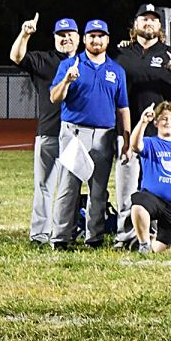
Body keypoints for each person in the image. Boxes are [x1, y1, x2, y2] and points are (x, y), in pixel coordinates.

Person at [111, 3, 171, 248]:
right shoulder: (121, 53)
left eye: (153, 19)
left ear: (160, 26)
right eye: (144, 19)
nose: (148, 23)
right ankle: (126, 236)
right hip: (129, 131)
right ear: (135, 24)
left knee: (159, 186)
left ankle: (155, 235)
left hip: (161, 136)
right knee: (127, 186)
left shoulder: (170, 53)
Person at [49, 19, 130, 249]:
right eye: (92, 36)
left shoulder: (116, 70)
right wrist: (67, 80)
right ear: (84, 39)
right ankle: (61, 237)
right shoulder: (70, 64)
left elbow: (123, 107)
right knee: (69, 186)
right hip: (74, 132)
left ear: (107, 40)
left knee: (99, 189)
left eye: (100, 36)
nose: (96, 40)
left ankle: (94, 237)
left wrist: (125, 137)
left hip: (105, 134)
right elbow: (54, 97)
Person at [9, 13, 79, 246]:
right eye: (61, 35)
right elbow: (17, 57)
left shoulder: (87, 61)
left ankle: (68, 231)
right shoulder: (45, 60)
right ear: (54, 38)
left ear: (78, 37)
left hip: (77, 134)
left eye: (70, 34)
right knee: (44, 186)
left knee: (71, 187)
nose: (65, 38)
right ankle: (40, 234)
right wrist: (25, 34)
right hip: (49, 131)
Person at [127, 102, 171, 254]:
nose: (168, 122)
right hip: (154, 200)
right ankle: (144, 244)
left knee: (166, 251)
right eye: (164, 118)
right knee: (139, 203)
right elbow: (134, 145)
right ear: (156, 122)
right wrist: (143, 122)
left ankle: (152, 240)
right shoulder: (150, 143)